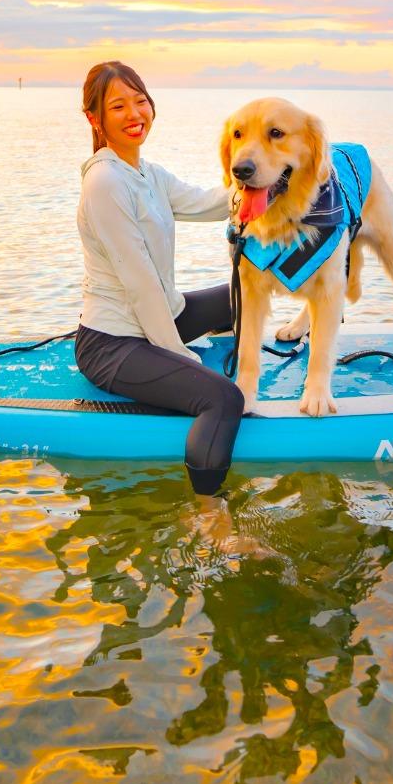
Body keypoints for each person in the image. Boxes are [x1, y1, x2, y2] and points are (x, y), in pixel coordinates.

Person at [75, 60, 245, 495]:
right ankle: (209, 514)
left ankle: (243, 357)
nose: (135, 114)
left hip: (159, 317)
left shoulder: (146, 172)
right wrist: (177, 355)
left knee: (241, 296)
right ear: (95, 118)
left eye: (140, 101)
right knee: (223, 398)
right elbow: (139, 283)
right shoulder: (105, 182)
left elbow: (208, 203)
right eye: (118, 106)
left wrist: (263, 182)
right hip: (114, 343)